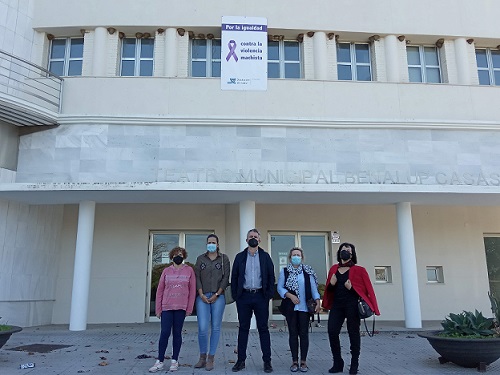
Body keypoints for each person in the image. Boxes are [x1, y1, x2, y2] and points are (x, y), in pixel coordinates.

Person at [322, 242, 380, 375]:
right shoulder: (334, 269)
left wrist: (352, 289)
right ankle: (338, 362)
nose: (345, 252)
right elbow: (329, 289)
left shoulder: (360, 270)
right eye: (343, 249)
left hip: (352, 306)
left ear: (352, 254)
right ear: (339, 252)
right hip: (337, 305)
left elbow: (366, 290)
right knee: (332, 331)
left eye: (348, 250)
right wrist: (331, 284)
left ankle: (354, 364)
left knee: (353, 334)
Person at [231, 228, 275, 373]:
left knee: (263, 329)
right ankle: (241, 361)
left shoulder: (265, 256)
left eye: (255, 236)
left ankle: (267, 361)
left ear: (260, 240)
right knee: (243, 328)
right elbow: (235, 276)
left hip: (260, 296)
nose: (253, 238)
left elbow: (270, 276)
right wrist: (236, 295)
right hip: (243, 297)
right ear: (246, 240)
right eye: (250, 236)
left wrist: (268, 295)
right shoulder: (240, 257)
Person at [149, 246, 196, 373]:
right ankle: (159, 361)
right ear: (171, 257)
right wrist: (158, 309)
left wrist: (189, 308)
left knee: (177, 333)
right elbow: (160, 291)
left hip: (181, 307)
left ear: (184, 256)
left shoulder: (189, 271)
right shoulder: (166, 271)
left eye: (180, 254)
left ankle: (175, 360)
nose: (178, 256)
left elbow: (192, 291)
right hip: (167, 307)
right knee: (164, 333)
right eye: (175, 254)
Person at [277, 247, 321, 373]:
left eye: (298, 255)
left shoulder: (307, 271)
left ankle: (303, 361)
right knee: (293, 333)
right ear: (290, 258)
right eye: (294, 255)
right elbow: (280, 288)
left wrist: (318, 301)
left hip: (304, 308)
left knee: (303, 334)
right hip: (291, 308)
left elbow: (313, 288)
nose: (296, 257)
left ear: (302, 257)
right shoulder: (285, 271)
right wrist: (290, 296)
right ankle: (294, 361)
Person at [193, 234, 230, 371]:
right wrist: (201, 293)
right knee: (202, 327)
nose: (211, 244)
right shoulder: (200, 259)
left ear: (218, 244)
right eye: (209, 242)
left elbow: (226, 277)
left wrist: (217, 293)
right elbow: (196, 276)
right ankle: (202, 357)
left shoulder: (224, 259)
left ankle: (211, 358)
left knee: (215, 327)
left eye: (213, 242)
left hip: (218, 296)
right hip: (202, 296)